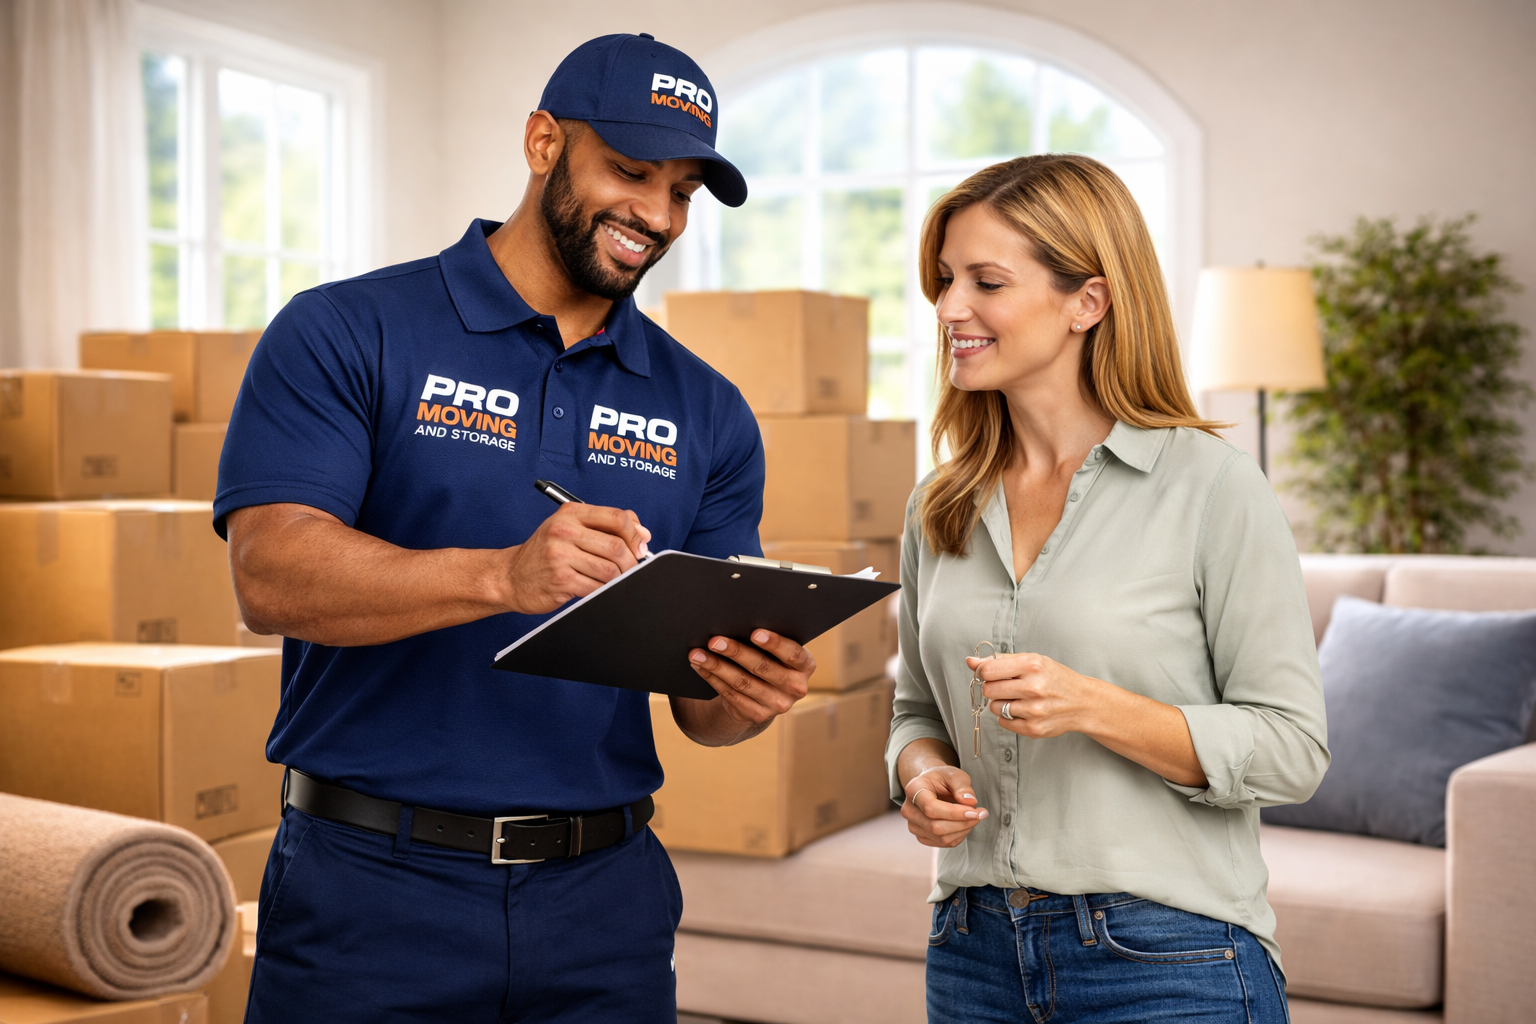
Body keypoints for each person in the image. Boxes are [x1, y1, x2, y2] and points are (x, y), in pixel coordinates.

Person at [217, 33, 815, 1024]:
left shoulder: (707, 409)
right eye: (630, 171)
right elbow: (270, 578)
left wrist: (750, 692)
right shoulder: (345, 330)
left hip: (604, 904)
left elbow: (701, 713)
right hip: (372, 894)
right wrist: (504, 576)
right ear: (543, 143)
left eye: (681, 192)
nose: (655, 216)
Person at [887, 154, 1328, 1024]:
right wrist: (922, 774)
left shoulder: (1211, 488)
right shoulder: (941, 504)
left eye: (986, 281)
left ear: (1087, 301)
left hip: (1169, 956)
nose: (948, 309)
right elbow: (915, 710)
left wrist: (1092, 706)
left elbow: (1292, 749)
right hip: (971, 952)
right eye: (944, 281)